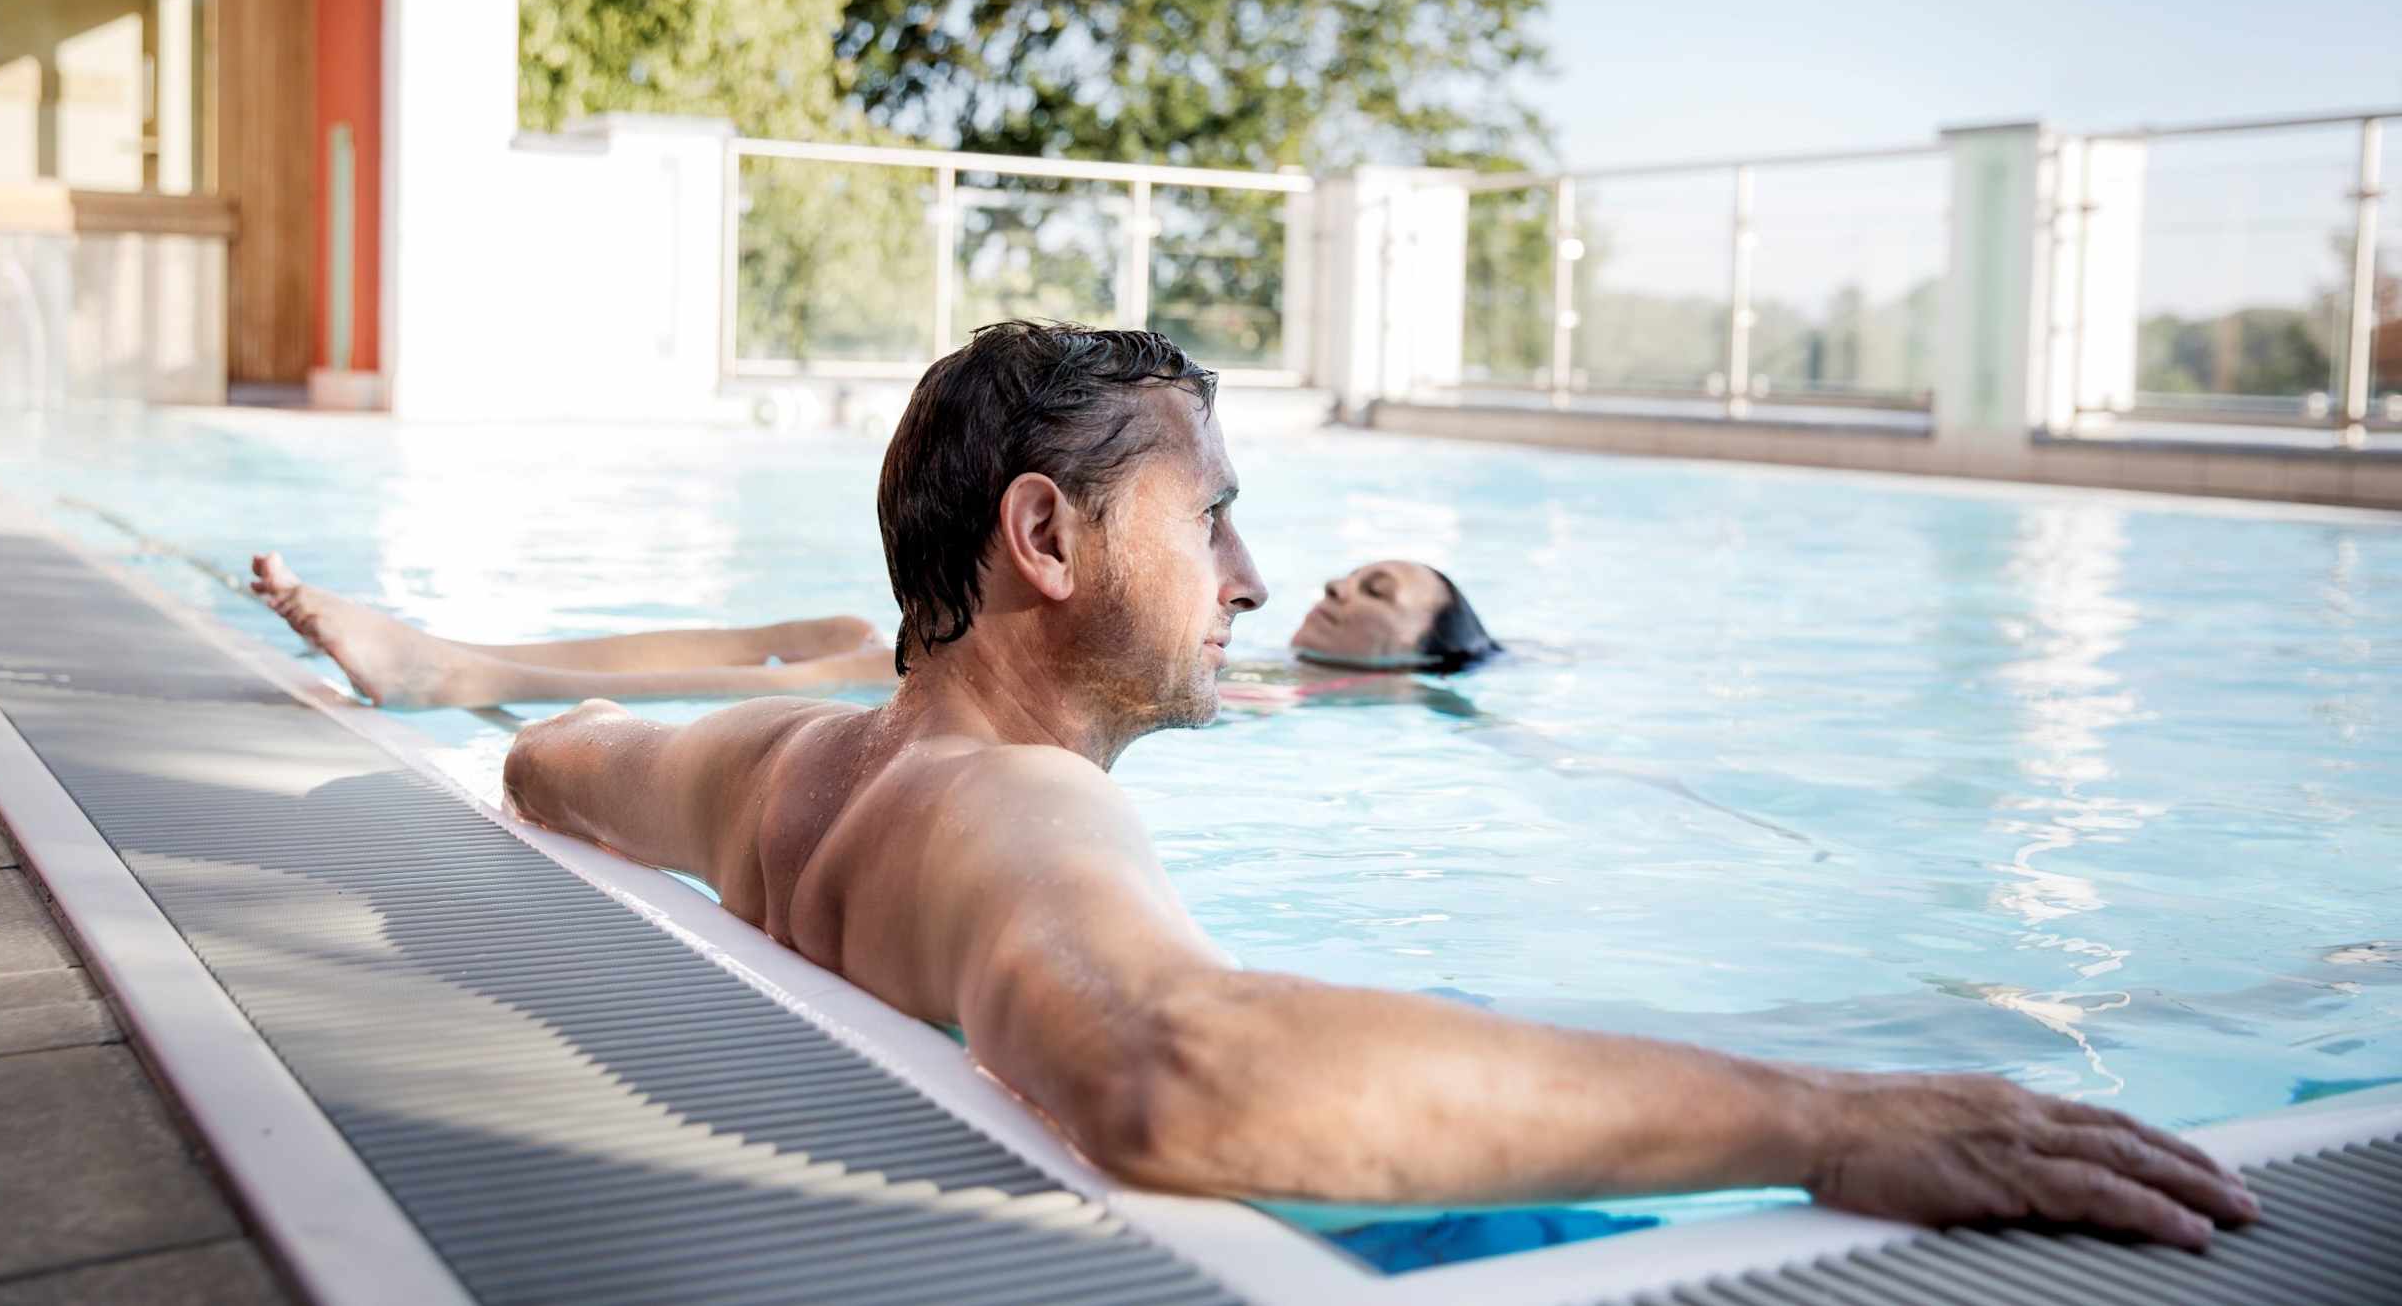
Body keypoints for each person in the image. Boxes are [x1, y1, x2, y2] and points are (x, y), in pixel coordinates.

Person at [483, 321, 2253, 1246]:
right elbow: (1177, 1074)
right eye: (1210, 517)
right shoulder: (1018, 806)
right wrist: (1830, 1122)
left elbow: (548, 761)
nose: (1252, 580)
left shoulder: (782, 766)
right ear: (1045, 536)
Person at [246, 552, 1502, 712]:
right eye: (1354, 574)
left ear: (1425, 648)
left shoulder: (1326, 698)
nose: (1335, 589)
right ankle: (465, 649)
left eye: (1379, 594)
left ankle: (453, 676)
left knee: (883, 651)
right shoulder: (1263, 653)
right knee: (837, 622)